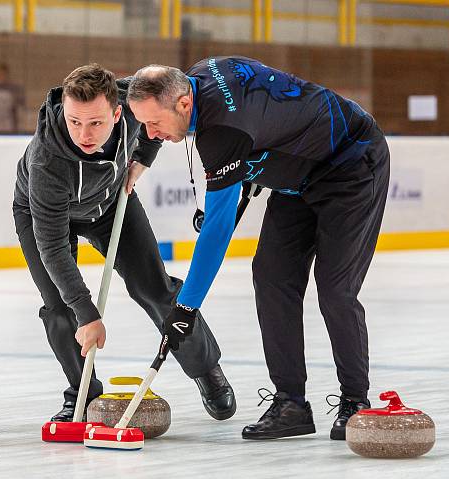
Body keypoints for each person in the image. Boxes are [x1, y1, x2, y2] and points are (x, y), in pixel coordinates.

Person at [126, 57, 390, 440]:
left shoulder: (221, 130)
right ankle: (291, 403)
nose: (151, 134)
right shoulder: (193, 78)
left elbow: (216, 232)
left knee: (335, 289)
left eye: (155, 123)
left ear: (184, 103)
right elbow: (267, 116)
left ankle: (354, 400)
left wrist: (186, 306)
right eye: (143, 124)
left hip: (351, 163)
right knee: (271, 278)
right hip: (297, 179)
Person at [13, 64, 236, 422]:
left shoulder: (134, 99)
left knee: (154, 288)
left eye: (96, 123)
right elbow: (52, 247)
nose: (83, 134)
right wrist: (87, 314)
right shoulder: (47, 161)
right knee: (60, 308)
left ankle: (207, 370)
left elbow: (157, 120)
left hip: (111, 201)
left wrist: (143, 159)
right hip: (46, 215)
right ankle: (83, 393)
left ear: (119, 112)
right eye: (74, 122)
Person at [0, 63, 24, 133]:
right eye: (0, 74)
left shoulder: (12, 90)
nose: (1, 76)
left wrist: (16, 127)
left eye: (3, 74)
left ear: (7, 75)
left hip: (7, 125)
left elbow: (14, 110)